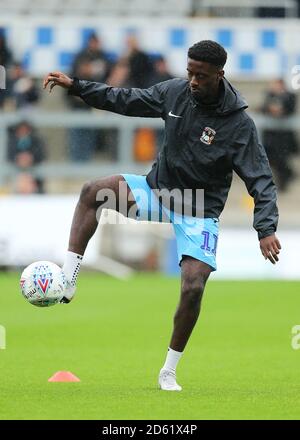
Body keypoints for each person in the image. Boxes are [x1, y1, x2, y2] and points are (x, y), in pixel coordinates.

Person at [43, 40, 281, 392]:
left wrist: (265, 228)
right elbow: (124, 99)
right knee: (93, 192)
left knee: (193, 286)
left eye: (201, 75)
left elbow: (260, 178)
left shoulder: (239, 125)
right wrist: (77, 86)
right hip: (159, 192)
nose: (193, 81)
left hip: (199, 209)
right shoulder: (175, 92)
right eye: (189, 73)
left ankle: (168, 370)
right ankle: (69, 278)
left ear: (220, 75)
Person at [261, 79, 298, 192]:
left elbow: (289, 109)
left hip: (284, 138)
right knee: (271, 159)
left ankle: (285, 181)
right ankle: (286, 176)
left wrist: (280, 110)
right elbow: (264, 108)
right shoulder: (269, 95)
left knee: (282, 160)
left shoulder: (290, 96)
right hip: (271, 137)